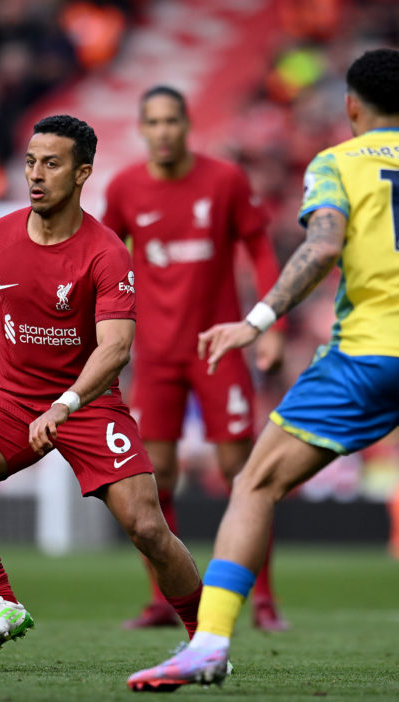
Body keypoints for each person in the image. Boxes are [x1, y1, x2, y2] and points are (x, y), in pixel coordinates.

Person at [127, 48, 399, 701]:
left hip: (363, 359)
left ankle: (209, 644)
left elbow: (321, 246)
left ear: (350, 107)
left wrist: (255, 321)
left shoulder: (338, 162)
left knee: (255, 482)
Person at [0, 114, 204, 652]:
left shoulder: (106, 252)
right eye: (31, 162)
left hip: (89, 404)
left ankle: (206, 640)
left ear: (82, 173)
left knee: (149, 530)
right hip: (14, 399)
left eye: (52, 164)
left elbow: (115, 347)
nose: (36, 175)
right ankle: (2, 602)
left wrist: (66, 403)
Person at [103, 86, 287, 631]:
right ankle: (165, 598)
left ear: (187, 125)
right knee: (154, 476)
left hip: (218, 349)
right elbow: (104, 257)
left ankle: (263, 599)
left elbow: (259, 247)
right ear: (143, 128)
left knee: (241, 472)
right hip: (156, 355)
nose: (162, 131)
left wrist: (268, 322)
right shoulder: (125, 188)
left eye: (171, 121)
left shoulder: (224, 181)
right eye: (153, 122)